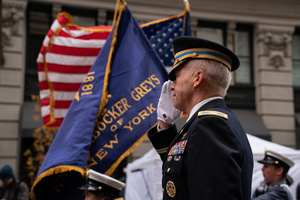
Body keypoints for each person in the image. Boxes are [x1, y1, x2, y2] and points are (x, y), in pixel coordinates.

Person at [147, 36, 253, 200]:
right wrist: (165, 122)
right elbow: (181, 171)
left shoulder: (210, 124)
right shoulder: (211, 122)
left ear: (197, 78)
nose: (171, 85)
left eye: (176, 77)